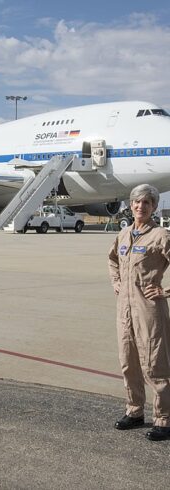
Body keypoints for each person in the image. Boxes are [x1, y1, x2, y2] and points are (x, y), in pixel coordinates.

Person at [108, 184, 170, 441]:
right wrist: (116, 282)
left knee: (156, 362)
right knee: (128, 361)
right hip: (124, 307)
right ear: (130, 205)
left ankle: (164, 419)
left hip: (149, 307)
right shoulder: (123, 235)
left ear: (154, 207)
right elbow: (113, 260)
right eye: (137, 202)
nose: (140, 207)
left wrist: (166, 291)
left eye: (146, 203)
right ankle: (134, 411)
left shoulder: (161, 236)